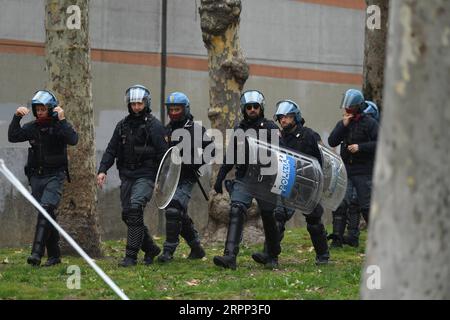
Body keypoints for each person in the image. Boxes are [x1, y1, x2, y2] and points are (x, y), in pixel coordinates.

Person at [97, 85, 168, 267]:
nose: (136, 107)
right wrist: (102, 170)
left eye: (139, 103)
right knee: (128, 215)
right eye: (133, 103)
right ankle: (151, 248)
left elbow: (164, 156)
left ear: (146, 103)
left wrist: (161, 180)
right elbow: (111, 150)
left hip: (146, 175)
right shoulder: (122, 126)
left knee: (135, 209)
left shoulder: (155, 126)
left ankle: (130, 256)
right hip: (127, 176)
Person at [252, 100, 330, 265]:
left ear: (296, 117)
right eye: (280, 117)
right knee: (278, 218)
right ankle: (270, 256)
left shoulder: (310, 135)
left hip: (307, 185)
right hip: (286, 182)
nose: (283, 120)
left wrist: (320, 182)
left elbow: (324, 160)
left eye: (287, 117)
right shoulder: (278, 137)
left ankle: (323, 256)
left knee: (314, 221)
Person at [8, 90, 78, 267]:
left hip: (55, 176)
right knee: (47, 215)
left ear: (51, 109)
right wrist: (16, 117)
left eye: (43, 109)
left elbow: (73, 139)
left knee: (46, 209)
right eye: (37, 109)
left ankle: (36, 254)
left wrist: (62, 120)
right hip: (36, 177)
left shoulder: (59, 126)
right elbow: (13, 136)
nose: (39, 112)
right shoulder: (33, 127)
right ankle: (54, 256)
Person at [213, 90, 281, 270]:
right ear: (244, 109)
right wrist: (220, 177)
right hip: (244, 178)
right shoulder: (239, 129)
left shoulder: (271, 128)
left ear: (261, 108)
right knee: (236, 209)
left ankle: (272, 255)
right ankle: (229, 257)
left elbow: (281, 156)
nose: (252, 110)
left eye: (255, 107)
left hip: (266, 179)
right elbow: (231, 155)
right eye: (249, 107)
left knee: (268, 216)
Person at [157, 92, 213, 263]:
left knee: (174, 209)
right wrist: (157, 180)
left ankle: (168, 251)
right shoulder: (165, 130)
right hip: (168, 179)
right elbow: (160, 157)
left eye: (177, 109)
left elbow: (211, 150)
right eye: (171, 109)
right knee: (178, 214)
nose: (174, 112)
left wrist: (196, 163)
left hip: (187, 178)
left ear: (185, 109)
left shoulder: (195, 129)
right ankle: (196, 248)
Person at [327, 89, 378, 248]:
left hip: (364, 172)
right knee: (341, 204)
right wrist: (343, 126)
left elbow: (380, 143)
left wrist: (360, 147)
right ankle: (337, 239)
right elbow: (332, 141)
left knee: (366, 207)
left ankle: (377, 239)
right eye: (346, 107)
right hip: (346, 171)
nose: (347, 110)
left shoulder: (370, 123)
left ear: (358, 106)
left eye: (350, 107)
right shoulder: (344, 122)